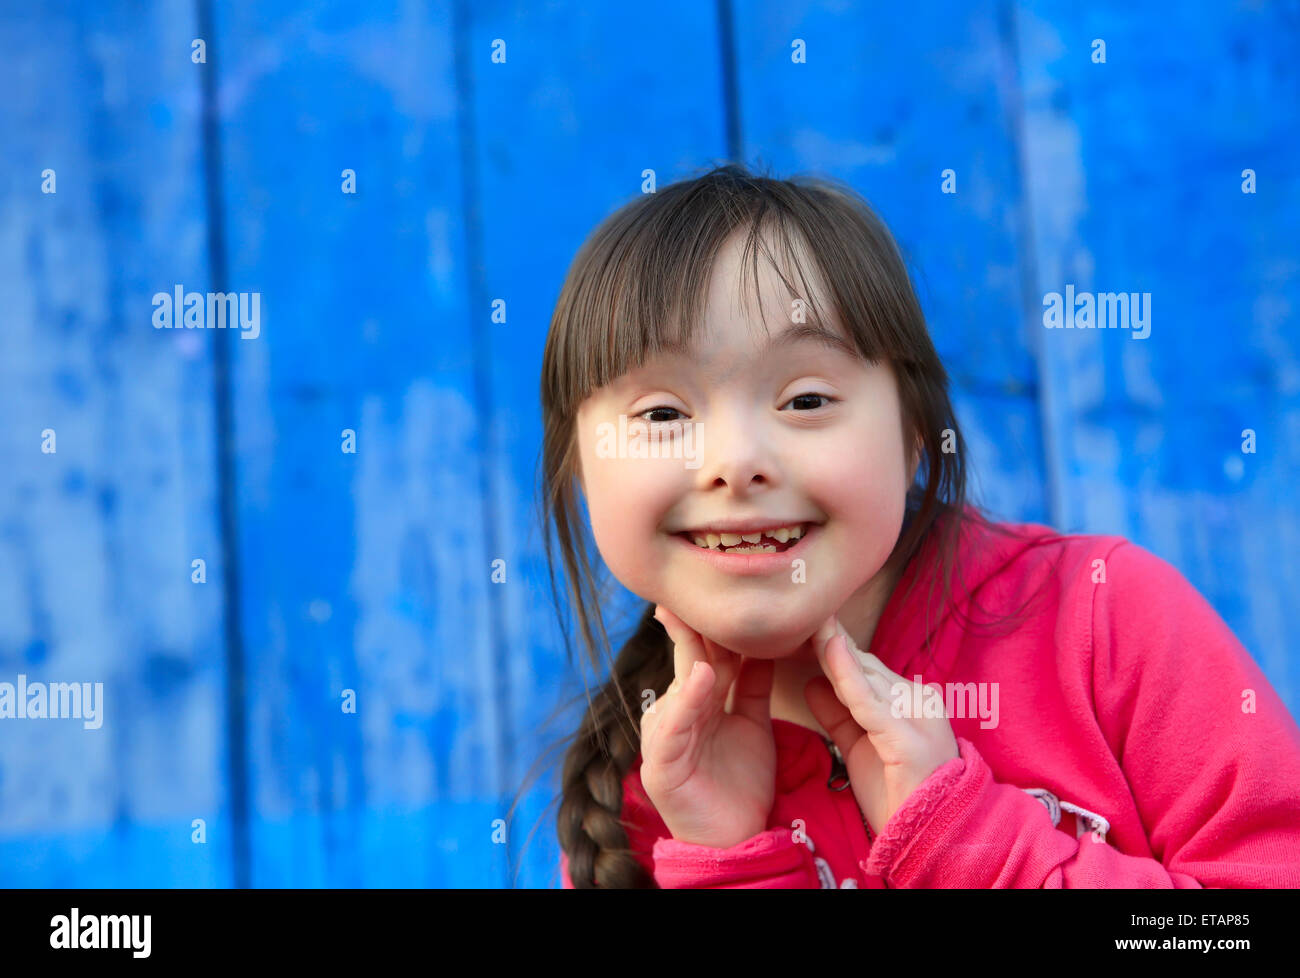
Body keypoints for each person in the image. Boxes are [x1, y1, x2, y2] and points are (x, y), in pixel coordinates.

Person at [531, 163, 1300, 888]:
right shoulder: (644, 798)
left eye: (804, 400)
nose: (735, 463)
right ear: (578, 468)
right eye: (663, 414)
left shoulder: (1104, 620)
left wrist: (970, 845)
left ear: (913, 436)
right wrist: (730, 859)